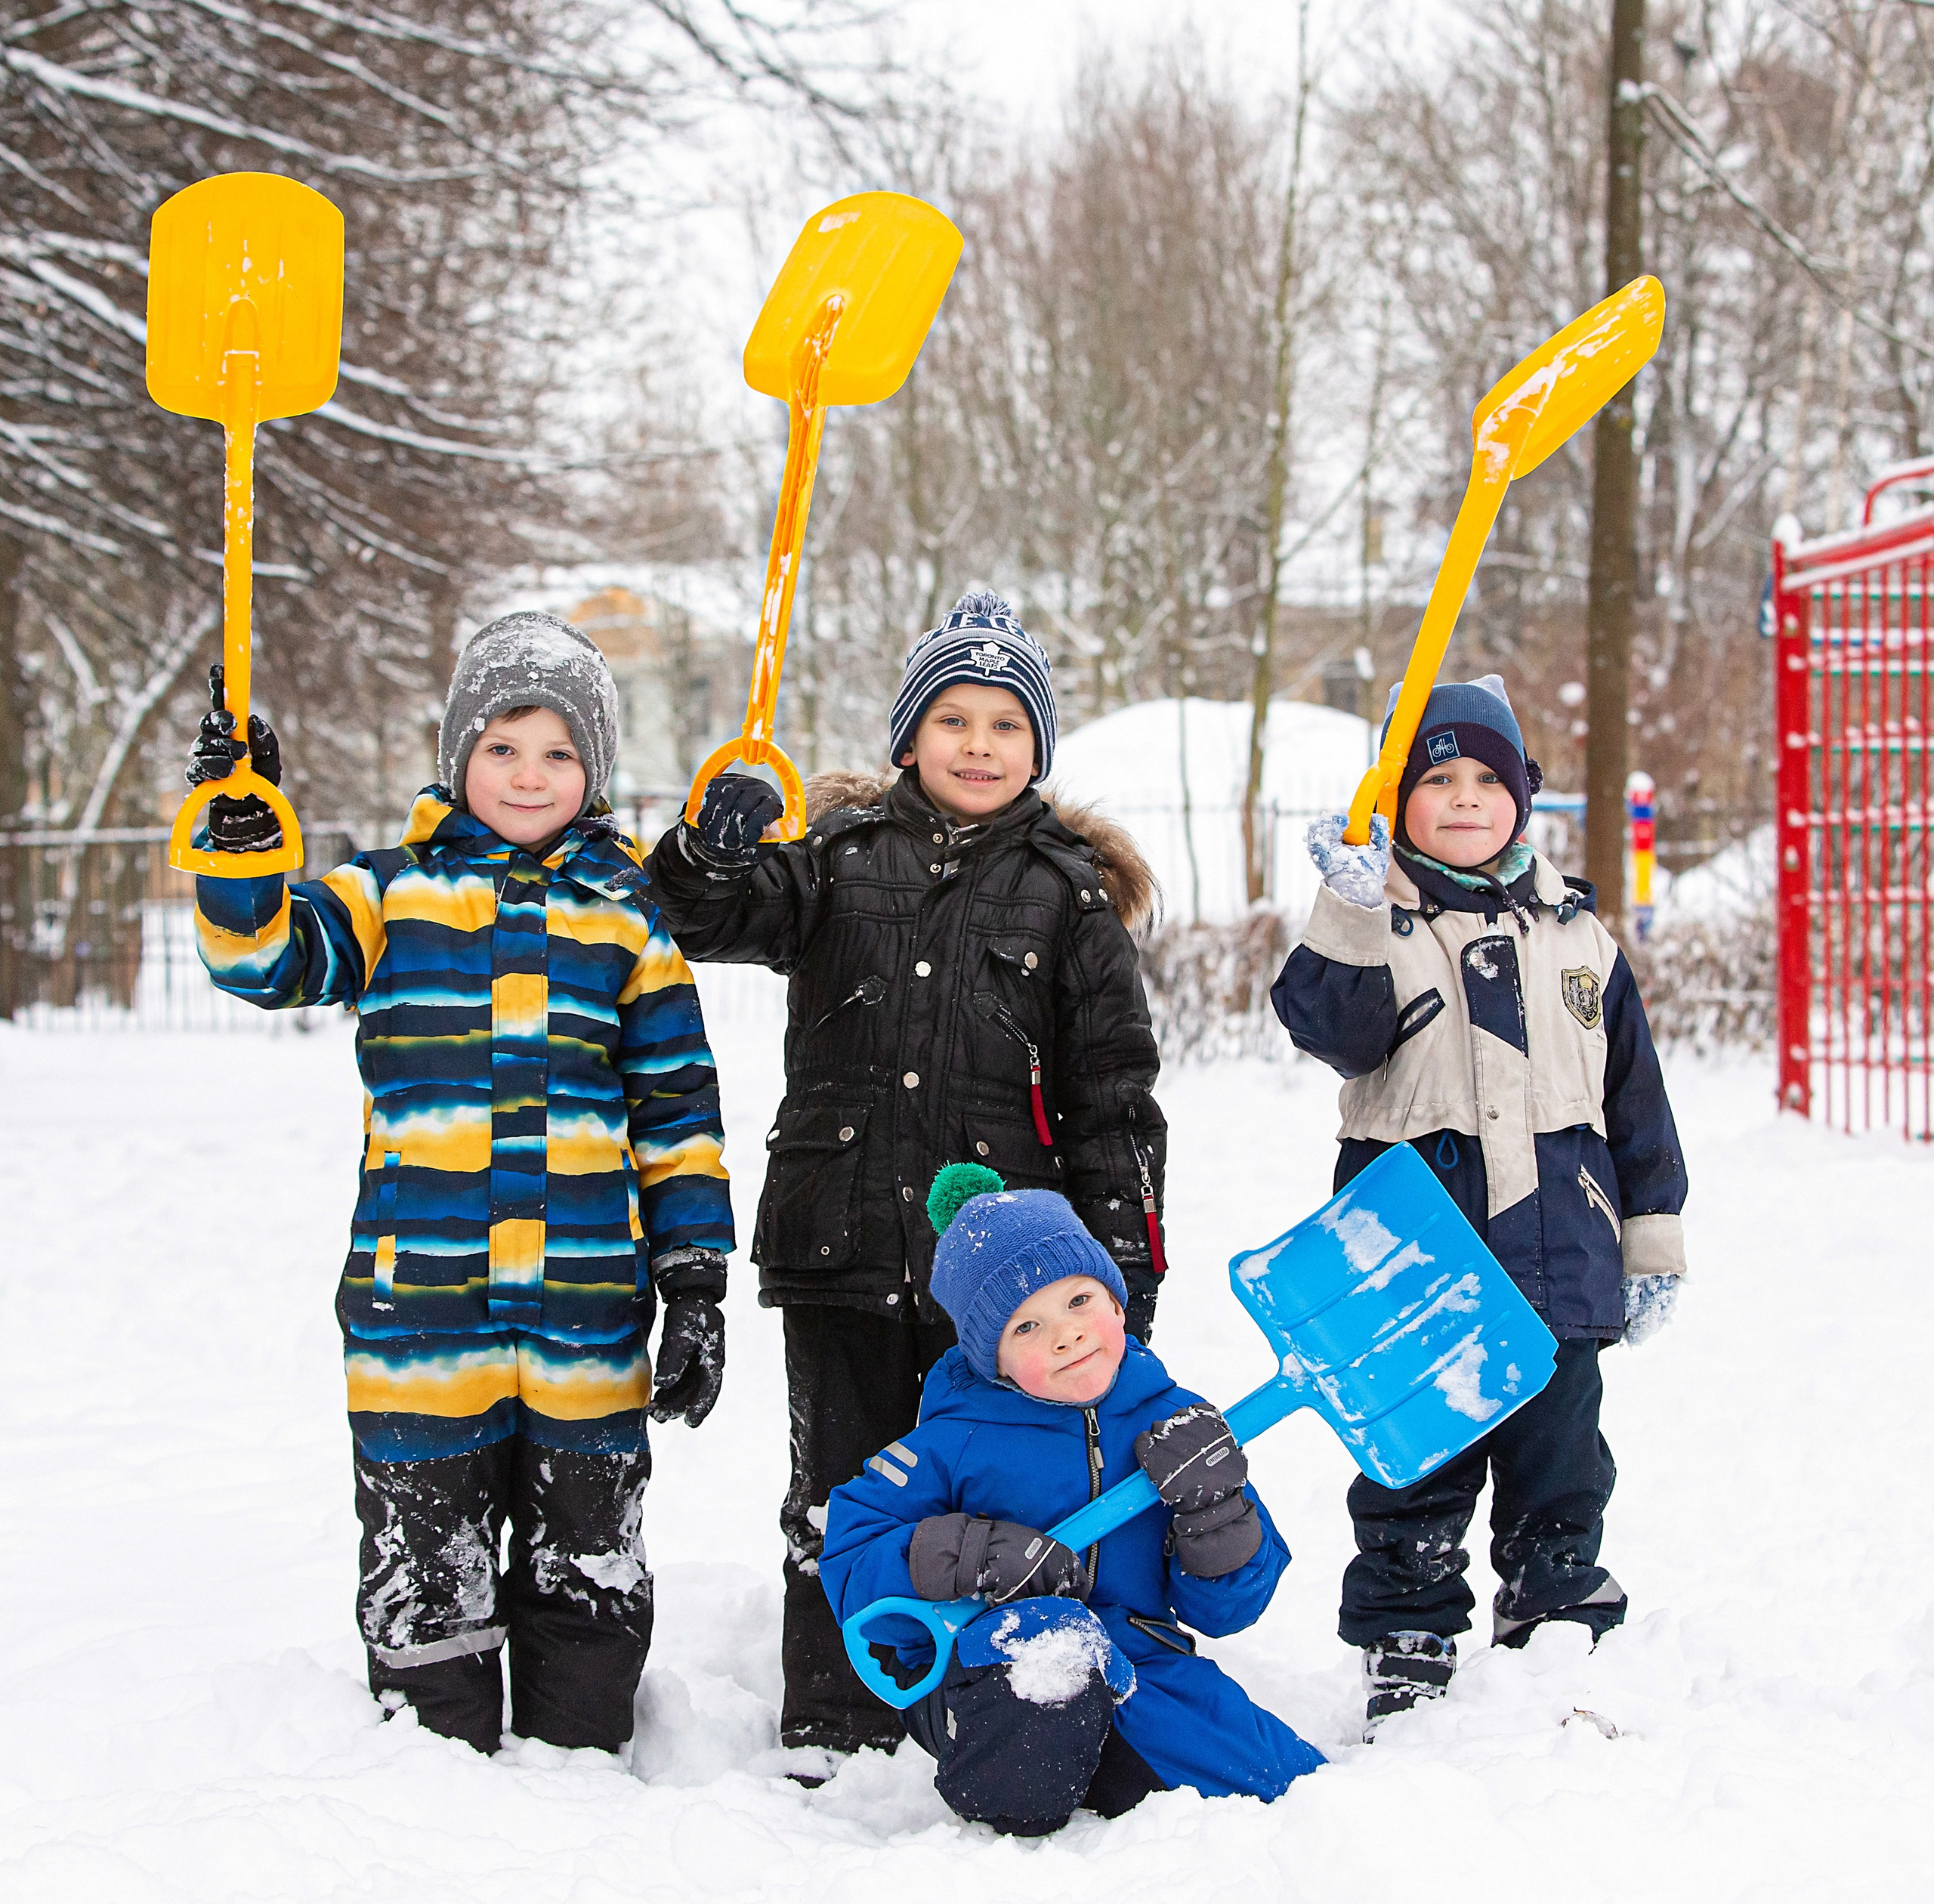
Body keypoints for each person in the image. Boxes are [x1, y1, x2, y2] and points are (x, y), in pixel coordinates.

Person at [189, 610, 735, 1756]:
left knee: (588, 1550)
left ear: (593, 774)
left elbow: (676, 1108)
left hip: (587, 1314)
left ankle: (580, 1759)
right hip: (420, 1312)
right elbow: (264, 962)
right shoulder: (385, 897)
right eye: (502, 747)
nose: (528, 776)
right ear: (457, 758)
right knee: (422, 1551)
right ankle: (436, 1780)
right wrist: (241, 857)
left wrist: (694, 1280)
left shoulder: (627, 916)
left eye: (559, 754)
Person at [644, 589, 1166, 1770]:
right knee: (838, 1486)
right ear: (908, 737)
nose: (978, 747)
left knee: (989, 1484)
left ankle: (976, 1700)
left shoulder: (1069, 894)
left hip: (999, 1271)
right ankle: (837, 1712)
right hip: (835, 1235)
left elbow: (1115, 1096)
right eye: (954, 721)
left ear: (1037, 748)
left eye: (1005, 727)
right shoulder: (831, 862)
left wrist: (1124, 1258)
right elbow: (706, 912)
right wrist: (710, 845)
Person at [1271, 674, 1688, 1737]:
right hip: (1413, 1267)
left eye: (1487, 780)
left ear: (1525, 795)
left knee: (1562, 1457)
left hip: (1559, 1253)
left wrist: (1652, 1237)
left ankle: (1553, 1606)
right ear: (1396, 799)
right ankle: (1409, 1628)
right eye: (1437, 779)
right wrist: (1353, 909)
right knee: (1418, 1461)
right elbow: (1331, 1029)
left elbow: (1634, 1100)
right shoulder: (1378, 927)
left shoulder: (1580, 939)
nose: (1464, 800)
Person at [819, 1166, 1324, 1833]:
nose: (1066, 1334)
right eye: (1025, 1327)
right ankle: (1016, 1808)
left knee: (1296, 1795)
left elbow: (1229, 1610)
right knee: (1054, 1641)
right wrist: (973, 1555)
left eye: (1080, 1301)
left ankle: (1123, 1775)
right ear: (989, 1358)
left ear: (1117, 1304)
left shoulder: (1178, 1427)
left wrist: (1213, 1511)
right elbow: (854, 1550)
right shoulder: (950, 1441)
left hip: (1144, 1674)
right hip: (986, 1679)